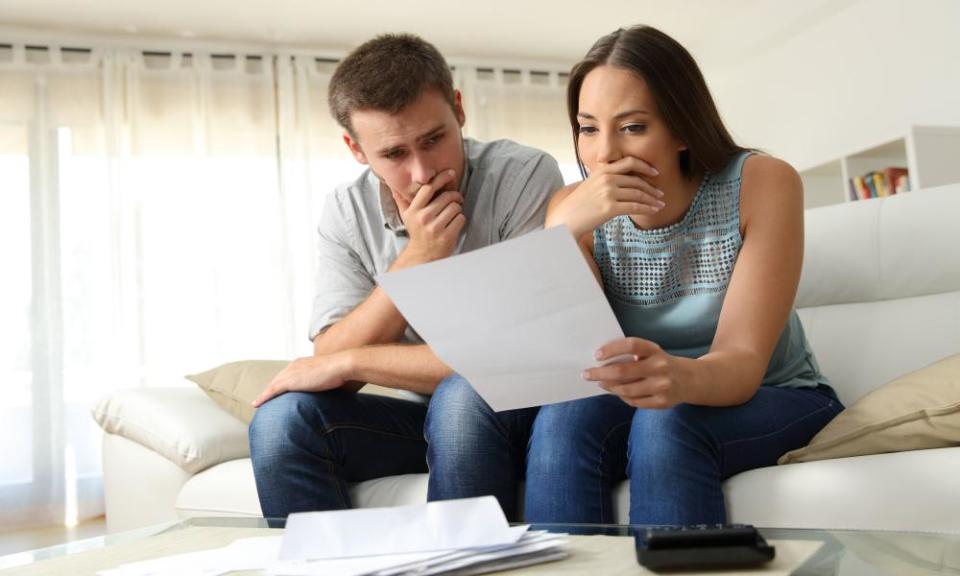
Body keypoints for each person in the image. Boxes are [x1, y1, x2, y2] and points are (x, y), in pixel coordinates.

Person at [425, 25, 844, 525]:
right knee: (564, 418)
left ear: (683, 127)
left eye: (633, 127)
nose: (604, 154)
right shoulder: (570, 210)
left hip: (771, 394)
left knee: (667, 421)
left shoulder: (762, 182)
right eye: (588, 128)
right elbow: (570, 359)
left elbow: (743, 363)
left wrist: (677, 376)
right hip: (638, 396)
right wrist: (559, 234)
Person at [247, 33, 564, 518]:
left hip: (523, 411)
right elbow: (327, 360)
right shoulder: (347, 212)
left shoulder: (522, 176)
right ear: (356, 149)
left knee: (462, 397)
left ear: (458, 109)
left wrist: (354, 362)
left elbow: (513, 356)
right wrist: (418, 255)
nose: (421, 172)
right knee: (280, 422)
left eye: (434, 140)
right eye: (394, 154)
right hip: (427, 418)